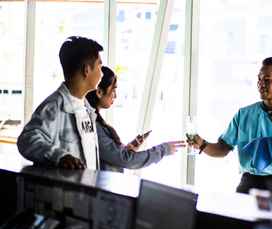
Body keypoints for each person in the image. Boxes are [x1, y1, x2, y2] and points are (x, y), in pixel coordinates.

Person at [188, 57, 272, 193]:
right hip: (248, 184)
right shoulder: (244, 115)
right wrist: (202, 144)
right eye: (259, 79)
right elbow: (223, 148)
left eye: (267, 80)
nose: (261, 84)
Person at [17, 36, 103, 170]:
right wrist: (60, 156)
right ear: (87, 70)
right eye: (99, 66)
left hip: (86, 189)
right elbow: (27, 140)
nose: (101, 74)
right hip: (66, 190)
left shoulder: (87, 109)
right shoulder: (53, 107)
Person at [86, 66, 185, 172]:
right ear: (99, 92)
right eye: (113, 89)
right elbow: (127, 160)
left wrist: (125, 150)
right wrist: (163, 150)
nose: (115, 96)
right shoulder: (93, 125)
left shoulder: (95, 121)